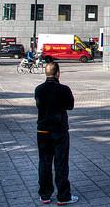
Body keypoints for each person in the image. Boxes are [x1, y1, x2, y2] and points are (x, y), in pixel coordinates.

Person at [34, 62, 78, 205]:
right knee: (61, 163)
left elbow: (40, 105)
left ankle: (45, 195)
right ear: (58, 73)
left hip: (43, 131)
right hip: (59, 131)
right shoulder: (64, 89)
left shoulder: (38, 89)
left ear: (46, 73)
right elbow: (70, 106)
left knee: (44, 162)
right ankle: (63, 196)